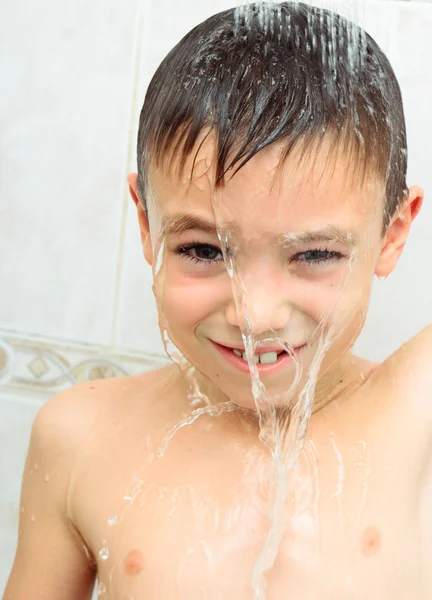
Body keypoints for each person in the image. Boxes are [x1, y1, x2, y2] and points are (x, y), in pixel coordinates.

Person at [3, 2, 431, 599]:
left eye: (314, 256)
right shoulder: (79, 437)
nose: (255, 316)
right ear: (148, 225)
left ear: (392, 235)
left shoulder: (418, 416)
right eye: (204, 251)